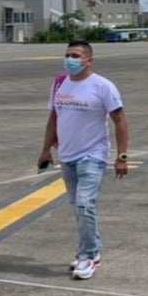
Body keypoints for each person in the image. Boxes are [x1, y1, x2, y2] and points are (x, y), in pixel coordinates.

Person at [37, 40, 129, 280]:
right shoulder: (60, 84)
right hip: (67, 156)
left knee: (84, 204)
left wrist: (122, 157)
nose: (70, 59)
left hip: (93, 155)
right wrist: (46, 149)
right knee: (79, 208)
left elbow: (120, 121)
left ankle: (88, 256)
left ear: (89, 60)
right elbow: (53, 119)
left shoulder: (102, 86)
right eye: (68, 54)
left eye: (76, 55)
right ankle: (89, 252)